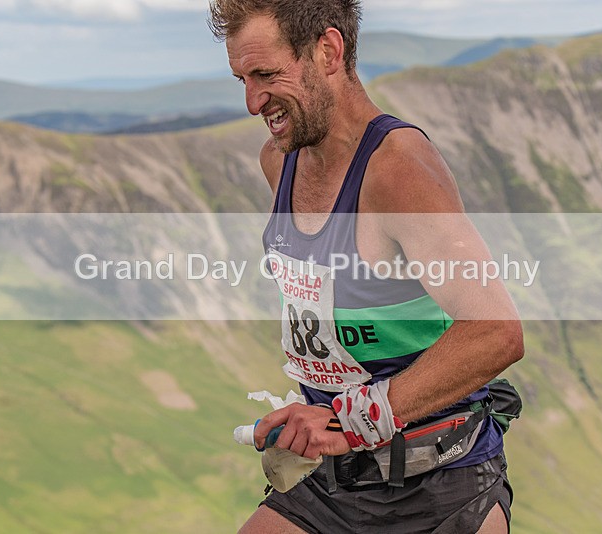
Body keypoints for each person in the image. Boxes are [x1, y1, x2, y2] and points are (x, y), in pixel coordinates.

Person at [209, 1, 524, 532]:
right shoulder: (279, 160)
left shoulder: (398, 171)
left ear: (328, 51)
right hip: (328, 482)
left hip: (440, 486)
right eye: (241, 77)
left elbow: (496, 332)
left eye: (266, 74)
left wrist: (352, 420)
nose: (251, 100)